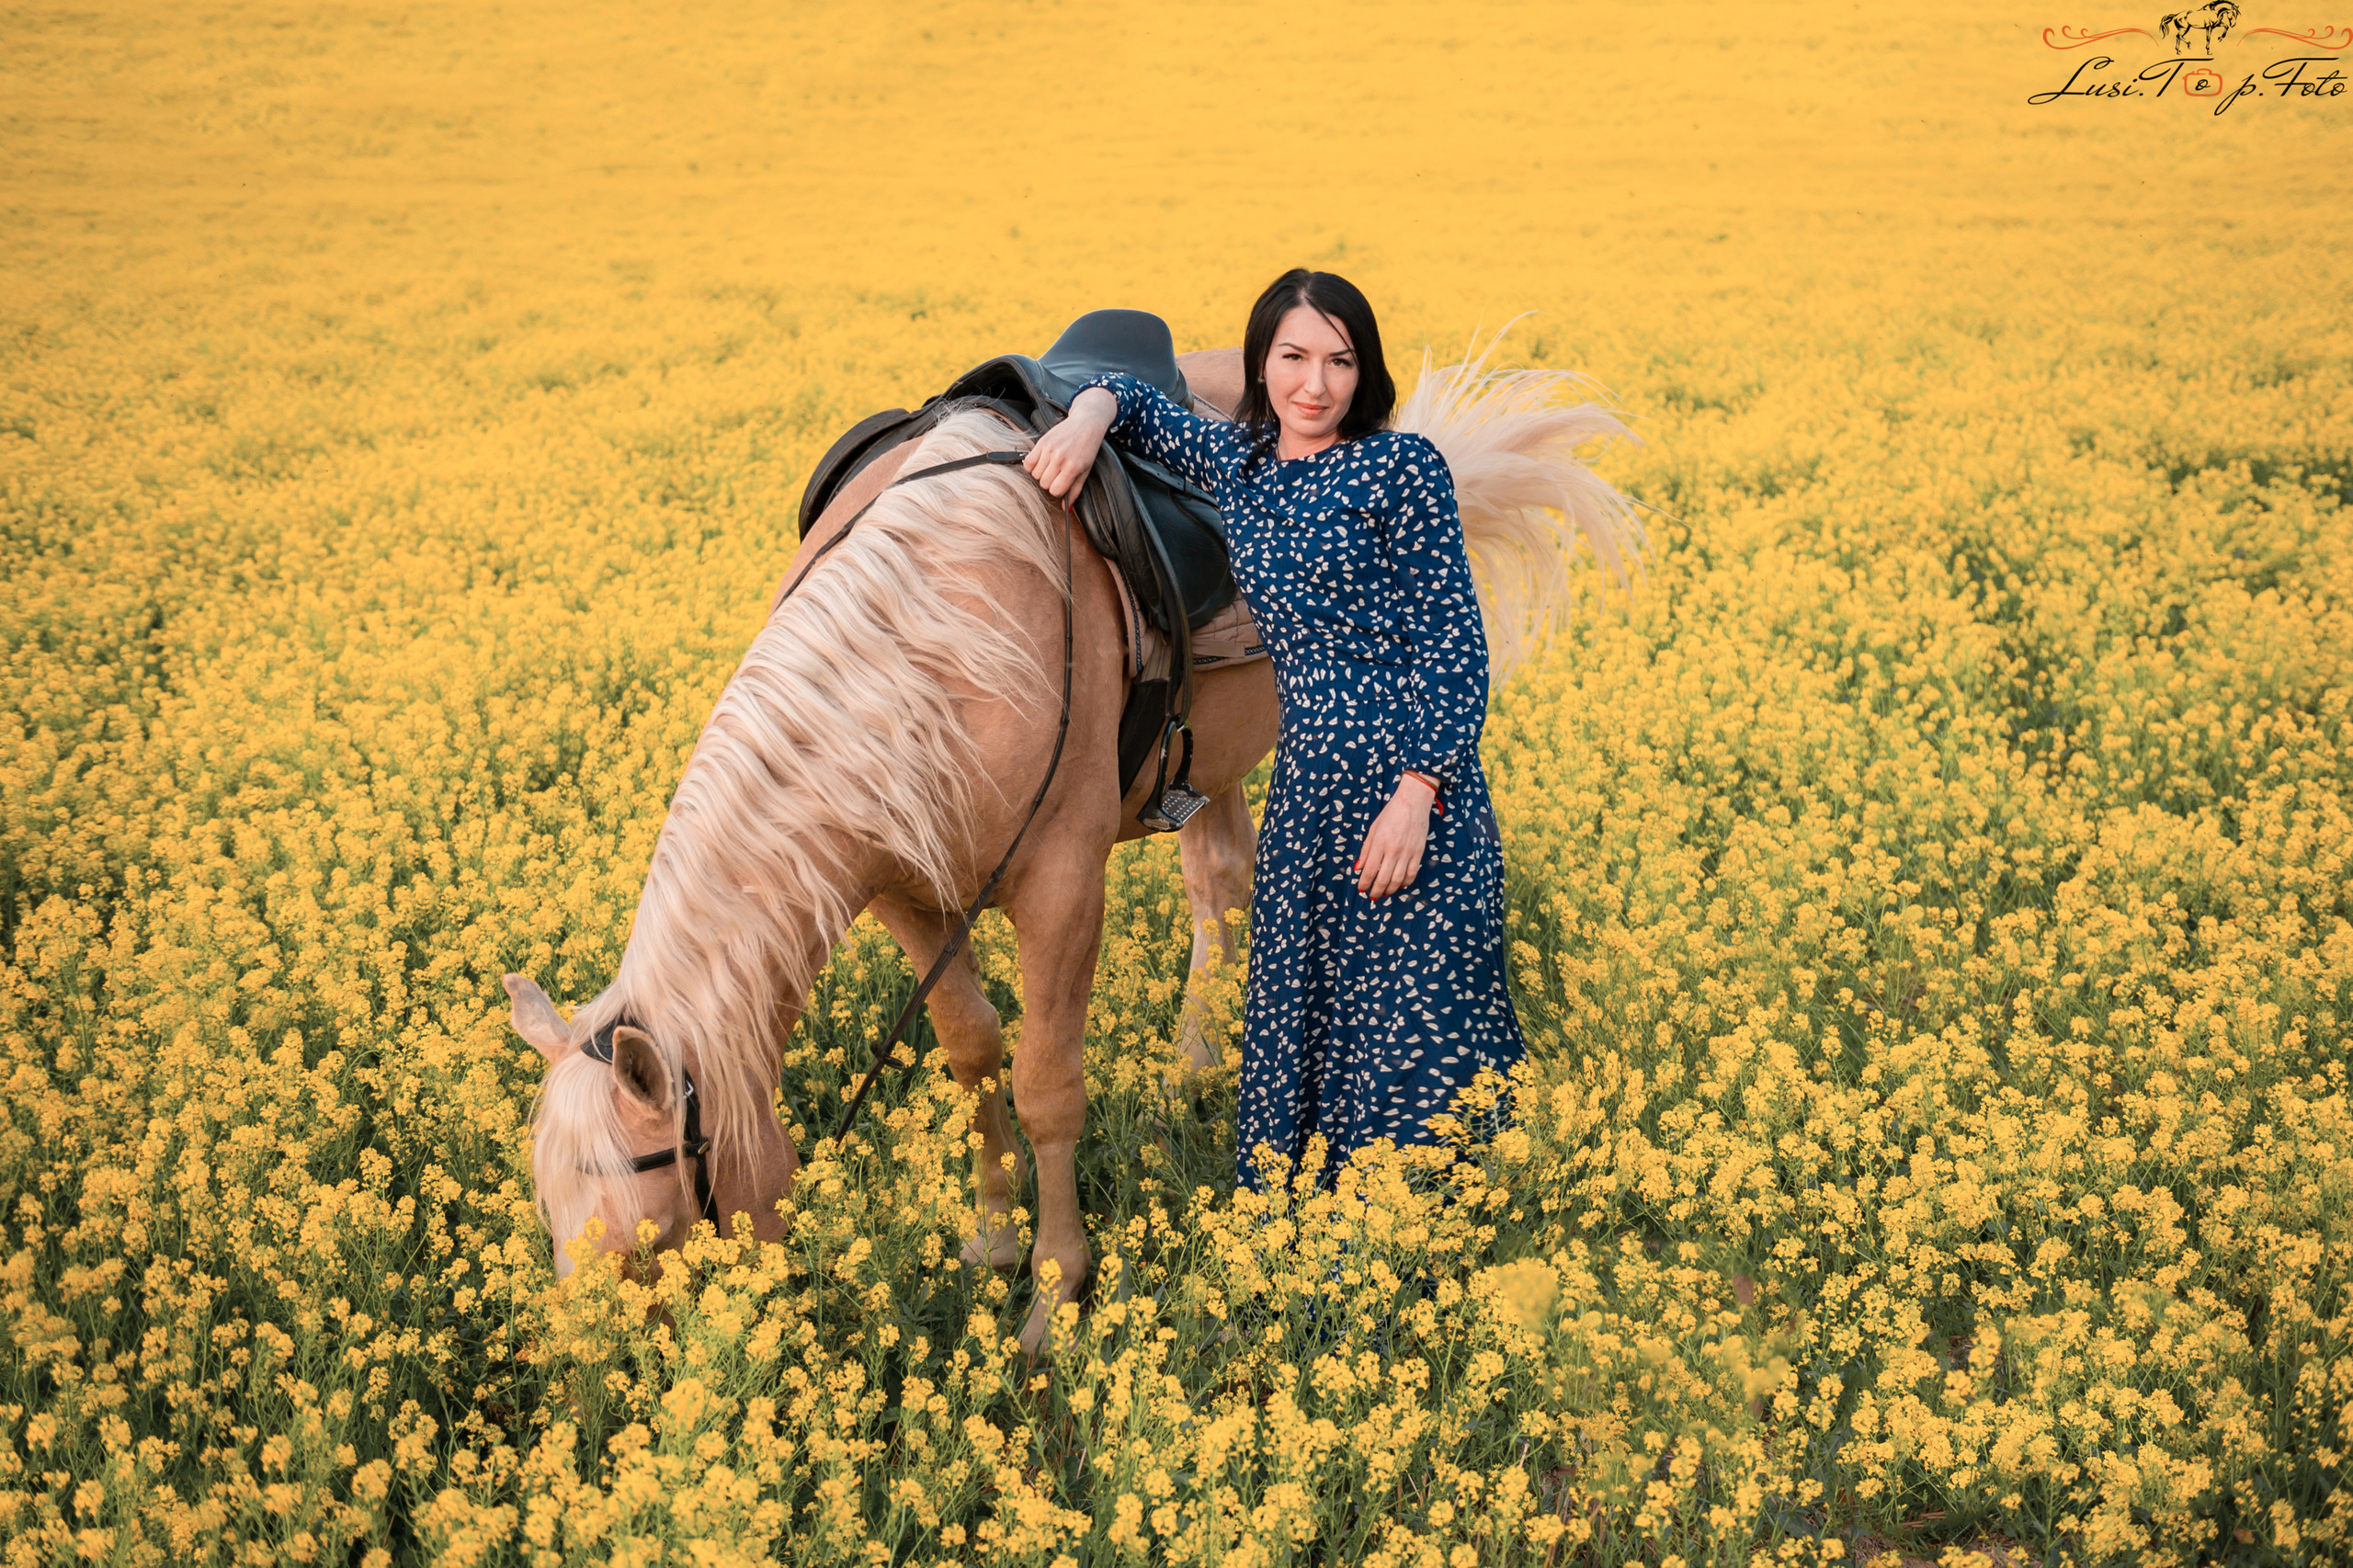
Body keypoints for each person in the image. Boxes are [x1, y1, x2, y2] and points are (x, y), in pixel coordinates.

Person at [1023, 269, 1527, 1191]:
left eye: (1339, 360)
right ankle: (1308, 1254)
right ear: (1260, 365)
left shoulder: (1401, 467)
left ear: (1361, 372)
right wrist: (1089, 414)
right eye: (1293, 357)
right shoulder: (1237, 463)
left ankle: (1407, 1251)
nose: (1315, 383)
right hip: (1307, 791)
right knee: (1316, 1028)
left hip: (1408, 778)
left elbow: (1454, 650)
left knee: (1409, 1037)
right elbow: (1135, 393)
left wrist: (1418, 797)